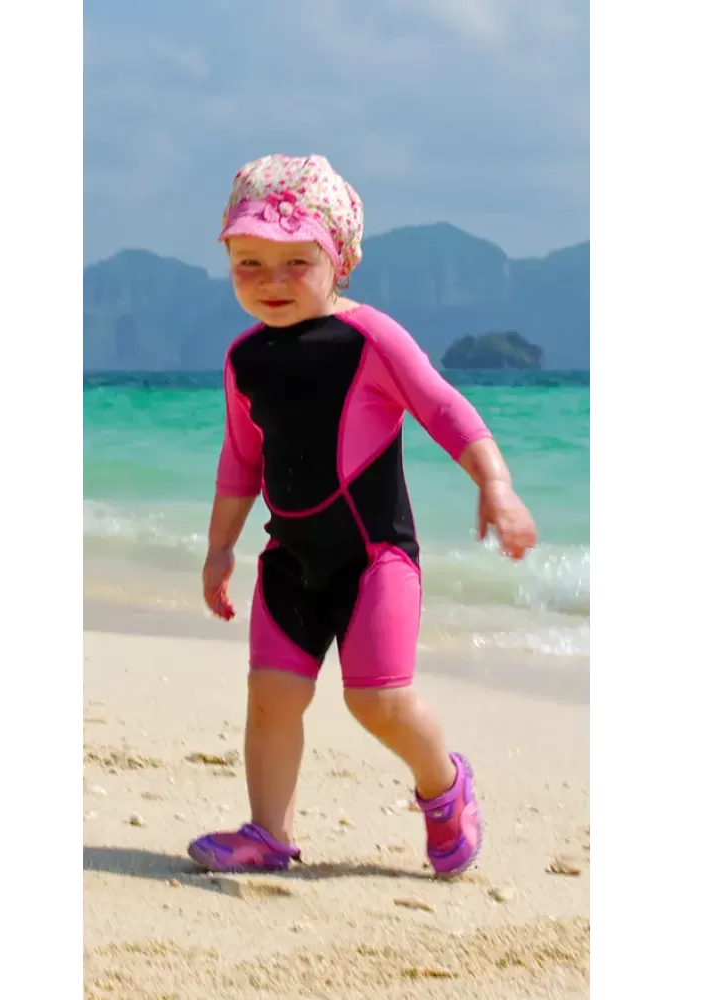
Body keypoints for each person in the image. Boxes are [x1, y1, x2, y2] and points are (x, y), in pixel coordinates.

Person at [188, 153, 537, 878]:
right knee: (271, 696)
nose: (272, 280)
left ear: (338, 260)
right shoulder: (244, 358)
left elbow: (444, 409)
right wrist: (221, 547)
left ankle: (445, 786)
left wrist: (496, 485)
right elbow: (241, 460)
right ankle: (268, 834)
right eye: (250, 262)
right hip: (290, 561)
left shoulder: (371, 338)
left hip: (376, 560)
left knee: (378, 700)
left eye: (296, 262)